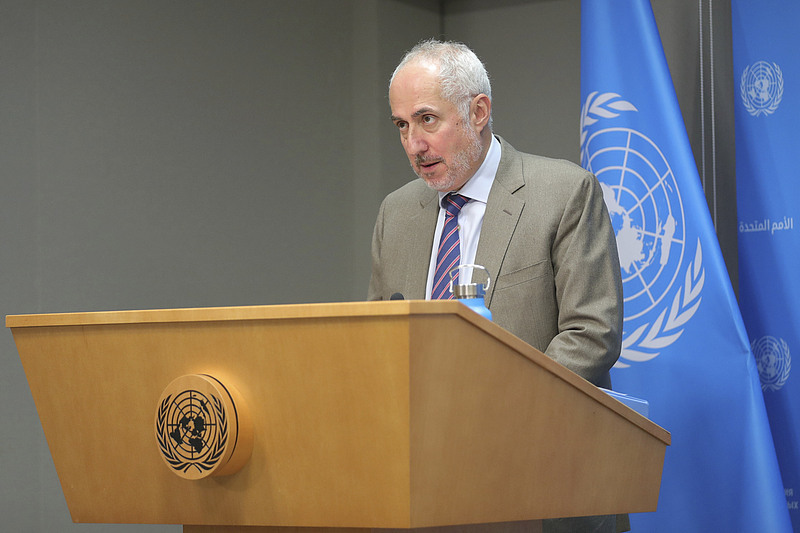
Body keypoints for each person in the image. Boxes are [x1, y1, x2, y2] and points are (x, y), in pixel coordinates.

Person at [367, 39, 626, 533]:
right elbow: (378, 344)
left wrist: (491, 421)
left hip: (543, 478)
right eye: (401, 125)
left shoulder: (564, 194)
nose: (414, 145)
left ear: (479, 111)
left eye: (427, 120)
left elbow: (591, 333)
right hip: (423, 486)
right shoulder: (395, 214)